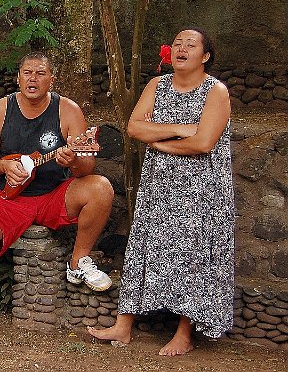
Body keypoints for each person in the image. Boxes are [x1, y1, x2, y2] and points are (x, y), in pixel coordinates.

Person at [88, 28, 234, 356]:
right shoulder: (157, 85)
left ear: (205, 56)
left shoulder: (216, 92)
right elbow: (134, 127)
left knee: (194, 255)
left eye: (190, 45)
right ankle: (123, 325)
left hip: (203, 190)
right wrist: (179, 130)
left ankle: (184, 332)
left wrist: (157, 142)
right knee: (143, 246)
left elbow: (204, 143)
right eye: (177, 44)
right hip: (159, 186)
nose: (181, 49)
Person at [0, 52, 114, 336]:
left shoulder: (67, 110)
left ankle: (78, 261)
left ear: (51, 80)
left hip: (53, 193)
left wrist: (75, 161)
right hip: (10, 197)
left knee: (100, 186)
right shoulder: (0, 109)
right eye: (27, 73)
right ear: (18, 78)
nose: (33, 79)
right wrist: (5, 166)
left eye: (40, 73)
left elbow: (87, 166)